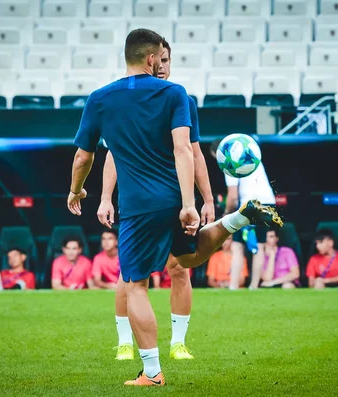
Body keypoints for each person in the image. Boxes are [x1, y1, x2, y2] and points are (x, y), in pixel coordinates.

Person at [68, 28, 282, 386]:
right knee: (188, 258)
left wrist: (77, 191)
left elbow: (83, 156)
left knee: (135, 284)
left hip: (137, 206)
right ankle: (238, 218)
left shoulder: (100, 99)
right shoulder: (176, 94)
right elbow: (186, 150)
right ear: (152, 58)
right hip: (172, 197)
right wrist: (191, 203)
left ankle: (151, 373)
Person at [98, 38, 214, 362]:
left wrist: (206, 198)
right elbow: (113, 155)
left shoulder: (181, 99)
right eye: (157, 59)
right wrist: (106, 196)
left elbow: (192, 151)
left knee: (178, 268)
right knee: (132, 275)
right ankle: (125, 342)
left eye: (167, 60)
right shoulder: (127, 100)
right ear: (147, 60)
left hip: (177, 199)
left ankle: (178, 342)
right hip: (139, 201)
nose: (161, 66)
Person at [209, 139, 276, 290]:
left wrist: (226, 214)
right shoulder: (250, 154)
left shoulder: (229, 161)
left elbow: (232, 197)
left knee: (237, 246)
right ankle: (254, 286)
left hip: (249, 204)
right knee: (259, 245)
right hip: (267, 202)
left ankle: (233, 286)